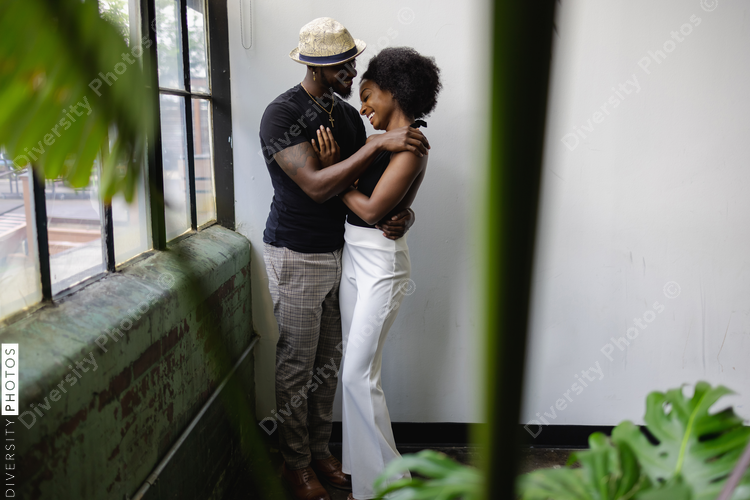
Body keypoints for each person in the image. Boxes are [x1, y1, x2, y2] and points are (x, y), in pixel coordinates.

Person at [259, 18, 430, 500]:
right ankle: (296, 464)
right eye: (342, 65)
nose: (352, 72)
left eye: (353, 61)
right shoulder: (281, 115)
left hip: (345, 253)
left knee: (330, 363)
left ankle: (319, 451)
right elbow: (316, 186)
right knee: (298, 362)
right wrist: (378, 144)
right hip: (296, 254)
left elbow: (375, 186)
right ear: (313, 65)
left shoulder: (348, 116)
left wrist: (405, 213)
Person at [313, 47, 441, 500]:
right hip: (354, 259)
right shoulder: (384, 139)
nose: (363, 107)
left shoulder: (411, 143)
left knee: (356, 377)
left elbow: (369, 211)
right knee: (358, 372)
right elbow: (381, 204)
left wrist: (333, 173)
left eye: (369, 96)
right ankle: (368, 481)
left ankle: (385, 490)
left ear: (394, 91)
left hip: (382, 268)